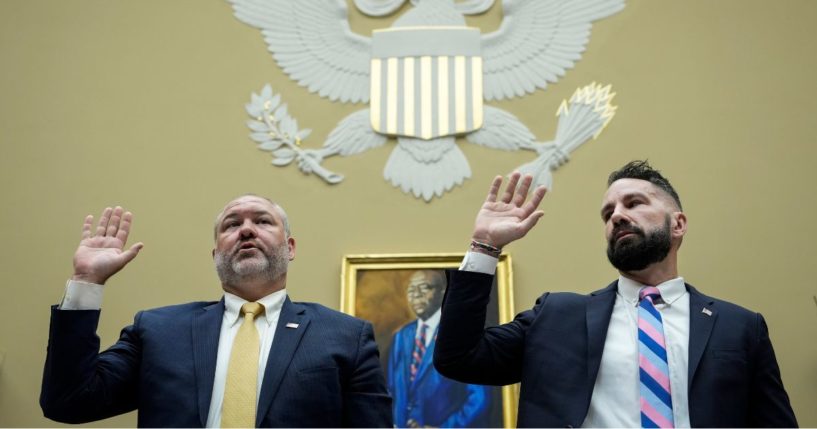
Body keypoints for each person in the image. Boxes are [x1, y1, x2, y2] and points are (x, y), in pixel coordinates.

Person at [434, 161, 798, 428]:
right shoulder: (558, 316)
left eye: (634, 203)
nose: (617, 217)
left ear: (678, 224)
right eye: (608, 213)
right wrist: (484, 247)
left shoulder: (740, 327)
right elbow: (459, 358)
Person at [40, 195, 392, 427]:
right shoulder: (159, 331)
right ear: (215, 255)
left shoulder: (345, 337)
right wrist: (87, 282)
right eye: (231, 224)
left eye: (263, 221)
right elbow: (68, 401)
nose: (246, 230)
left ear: (290, 248)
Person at [387, 270, 491, 428]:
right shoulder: (402, 336)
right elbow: (391, 388)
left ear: (443, 292)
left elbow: (479, 398)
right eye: (411, 290)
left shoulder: (461, 331)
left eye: (423, 287)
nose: (416, 295)